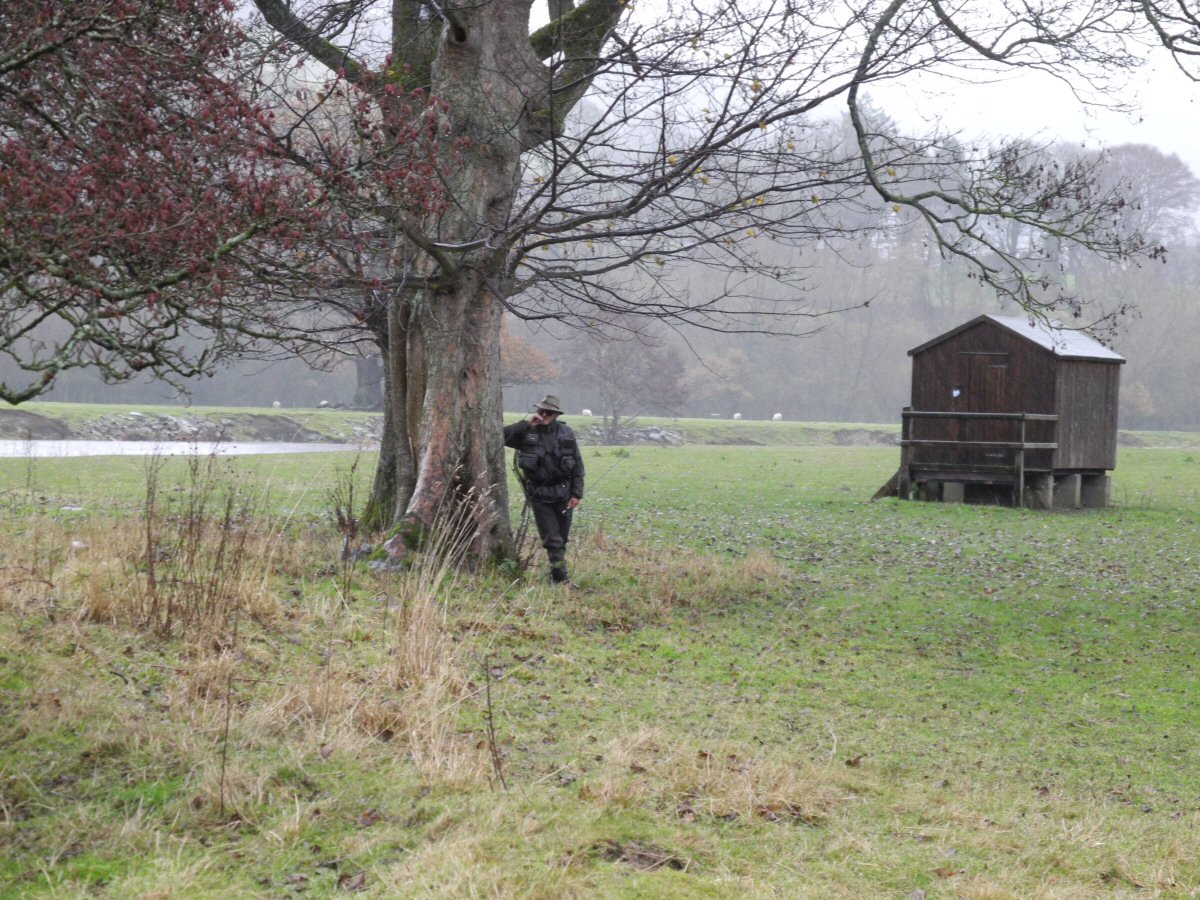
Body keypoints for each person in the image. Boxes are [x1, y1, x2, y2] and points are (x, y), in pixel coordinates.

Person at [503, 394, 584, 584]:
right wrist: (527, 425)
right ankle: (561, 580)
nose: (545, 414)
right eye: (542, 410)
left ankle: (556, 575)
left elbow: (578, 466)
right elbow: (500, 436)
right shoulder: (525, 433)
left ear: (556, 414)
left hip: (564, 494)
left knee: (561, 540)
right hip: (540, 496)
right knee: (553, 541)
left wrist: (576, 493)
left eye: (549, 412)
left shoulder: (567, 432)